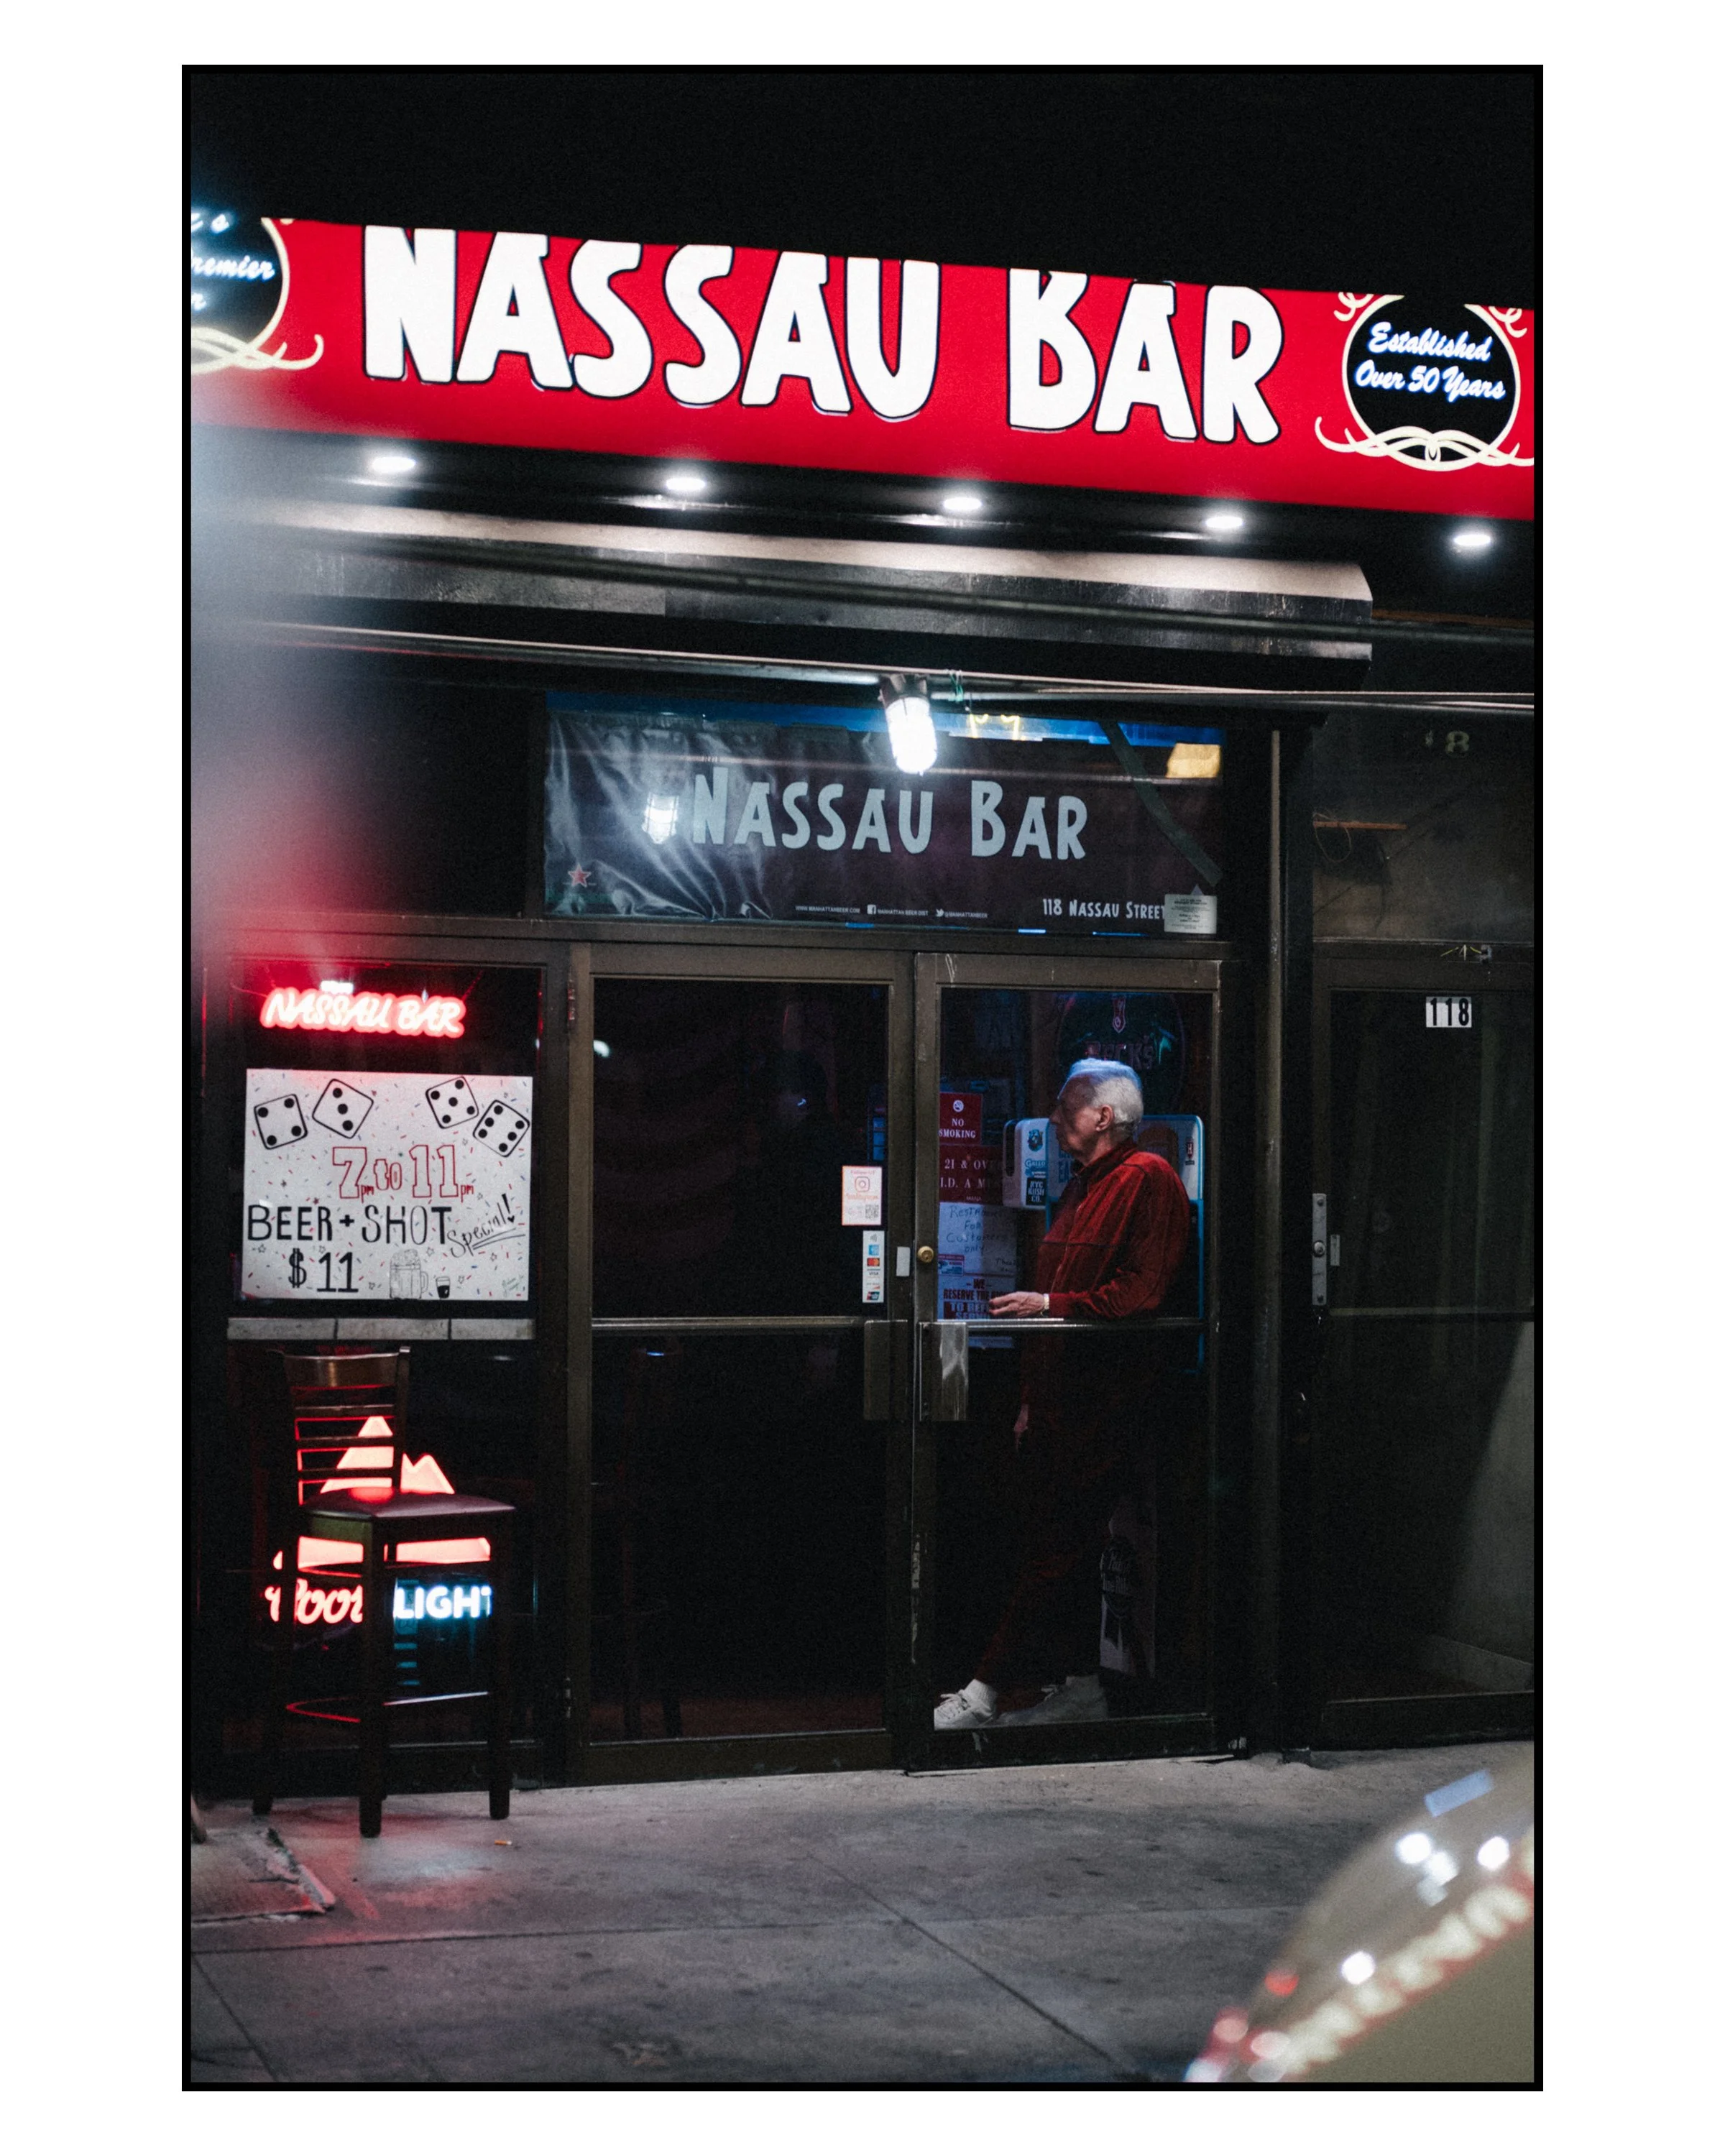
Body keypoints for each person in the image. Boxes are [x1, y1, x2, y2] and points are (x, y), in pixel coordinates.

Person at [934, 1058, 1190, 1728]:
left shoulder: (1149, 1179)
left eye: (1067, 1104)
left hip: (1106, 1405)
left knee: (1056, 1546)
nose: (1053, 1116)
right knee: (1052, 1548)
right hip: (1063, 1405)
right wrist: (1030, 1400)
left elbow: (1138, 1295)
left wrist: (1051, 1305)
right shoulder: (1083, 1184)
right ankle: (1078, 1684)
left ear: (1104, 1116)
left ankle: (986, 1692)